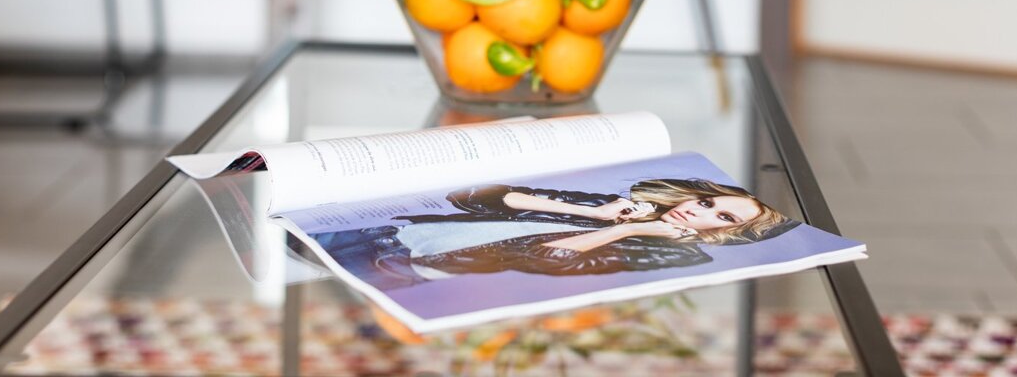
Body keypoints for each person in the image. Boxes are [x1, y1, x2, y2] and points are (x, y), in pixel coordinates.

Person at [312, 178, 797, 289]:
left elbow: (549, 259)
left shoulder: (676, 255)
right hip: (387, 229)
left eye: (723, 218)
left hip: (408, 265)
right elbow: (480, 196)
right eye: (707, 201)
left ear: (729, 235)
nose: (698, 211)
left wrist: (621, 233)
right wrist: (602, 214)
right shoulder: (622, 205)